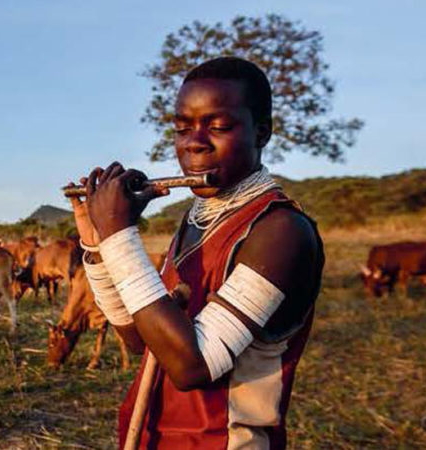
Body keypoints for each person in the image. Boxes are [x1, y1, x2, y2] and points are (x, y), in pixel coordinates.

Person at [68, 57, 324, 449]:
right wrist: (97, 242)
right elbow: (145, 341)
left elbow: (193, 366)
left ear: (261, 133)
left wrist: (120, 235)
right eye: (183, 128)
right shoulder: (195, 222)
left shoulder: (282, 232)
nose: (194, 142)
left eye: (218, 126)